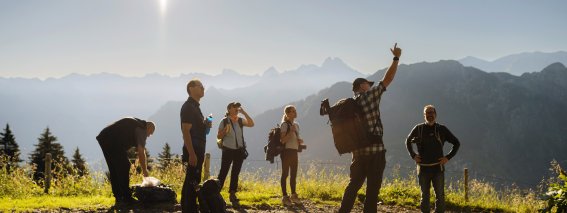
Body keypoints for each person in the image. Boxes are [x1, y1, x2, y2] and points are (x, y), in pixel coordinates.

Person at [339, 43, 402, 213]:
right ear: (362, 86)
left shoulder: (349, 106)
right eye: (368, 84)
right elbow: (387, 80)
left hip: (357, 153)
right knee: (372, 190)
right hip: (375, 151)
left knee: (353, 186)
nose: (370, 86)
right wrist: (396, 58)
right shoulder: (368, 97)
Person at [405, 105, 460, 213]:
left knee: (440, 195)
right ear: (424, 115)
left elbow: (456, 143)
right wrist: (413, 155)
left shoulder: (441, 129)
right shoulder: (418, 128)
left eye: (432, 112)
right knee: (424, 195)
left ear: (435, 114)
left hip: (438, 168)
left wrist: (448, 157)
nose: (430, 115)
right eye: (427, 113)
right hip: (423, 168)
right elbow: (407, 141)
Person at [96, 117, 155, 205]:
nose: (149, 136)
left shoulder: (137, 124)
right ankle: (126, 197)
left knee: (114, 168)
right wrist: (145, 171)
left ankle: (119, 197)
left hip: (104, 137)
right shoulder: (142, 129)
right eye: (150, 133)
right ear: (149, 128)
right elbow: (141, 152)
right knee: (124, 165)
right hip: (113, 140)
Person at [180, 79, 210, 212]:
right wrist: (191, 153)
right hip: (193, 150)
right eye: (200, 86)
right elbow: (185, 131)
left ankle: (189, 207)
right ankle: (189, 209)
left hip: (198, 148)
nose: (203, 88)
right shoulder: (188, 107)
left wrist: (205, 125)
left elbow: (196, 129)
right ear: (191, 88)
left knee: (192, 179)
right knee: (192, 180)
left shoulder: (196, 107)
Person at [216, 101, 255, 207]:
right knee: (223, 171)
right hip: (228, 149)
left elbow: (252, 124)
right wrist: (224, 131)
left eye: (237, 107)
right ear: (229, 109)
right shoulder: (224, 121)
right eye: (234, 107)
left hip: (239, 150)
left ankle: (232, 193)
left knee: (235, 172)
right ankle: (216, 193)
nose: (237, 109)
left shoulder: (240, 121)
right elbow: (219, 136)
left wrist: (244, 112)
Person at [279, 105, 305, 205]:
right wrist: (291, 132)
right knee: (285, 174)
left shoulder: (297, 125)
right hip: (286, 152)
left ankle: (293, 195)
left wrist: (299, 141)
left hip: (294, 151)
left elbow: (294, 139)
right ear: (288, 113)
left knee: (293, 175)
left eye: (295, 110)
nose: (295, 112)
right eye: (293, 111)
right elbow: (282, 140)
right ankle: (285, 197)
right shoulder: (284, 125)